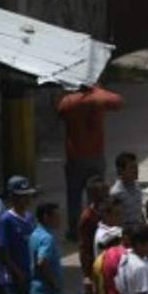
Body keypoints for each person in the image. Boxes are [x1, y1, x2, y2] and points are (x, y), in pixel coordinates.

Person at [56, 85, 124, 241]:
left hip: (75, 157)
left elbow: (59, 111)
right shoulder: (99, 97)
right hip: (95, 155)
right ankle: (95, 227)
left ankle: (75, 231)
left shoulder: (69, 100)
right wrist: (99, 90)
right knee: (97, 195)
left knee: (74, 197)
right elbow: (118, 102)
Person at [77, 176, 109, 294]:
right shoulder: (88, 218)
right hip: (93, 272)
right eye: (102, 194)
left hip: (105, 270)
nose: (106, 196)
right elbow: (84, 249)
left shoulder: (104, 213)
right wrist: (87, 276)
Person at [110, 152, 144, 227]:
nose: (136, 170)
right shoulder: (116, 193)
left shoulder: (137, 186)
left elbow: (139, 211)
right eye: (131, 167)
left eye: (136, 167)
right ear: (121, 170)